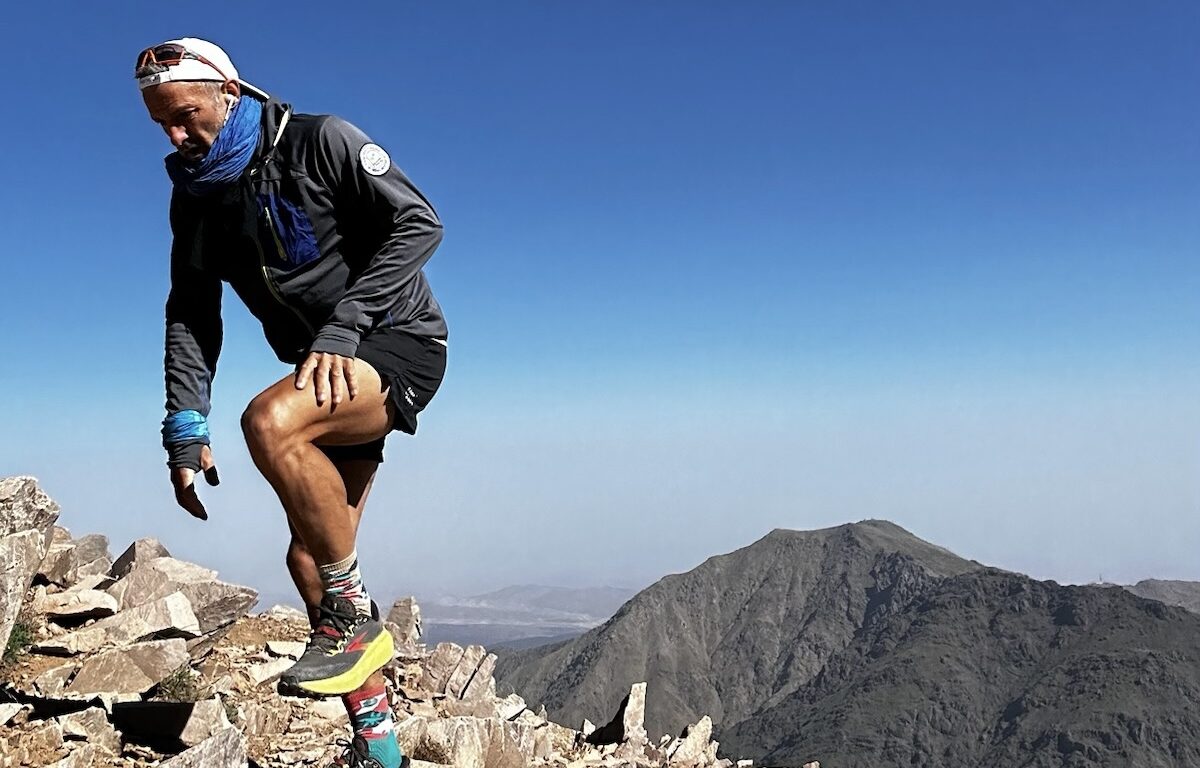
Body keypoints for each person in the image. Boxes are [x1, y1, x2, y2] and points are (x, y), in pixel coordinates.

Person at [135, 37, 447, 768]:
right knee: (310, 558)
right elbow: (192, 310)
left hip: (396, 341)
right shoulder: (197, 198)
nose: (179, 137)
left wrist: (345, 325)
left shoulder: (321, 140)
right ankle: (379, 746)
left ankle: (352, 621)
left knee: (270, 421)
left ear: (229, 94)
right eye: (163, 126)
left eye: (187, 115)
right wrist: (184, 423)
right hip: (327, 374)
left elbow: (419, 222)